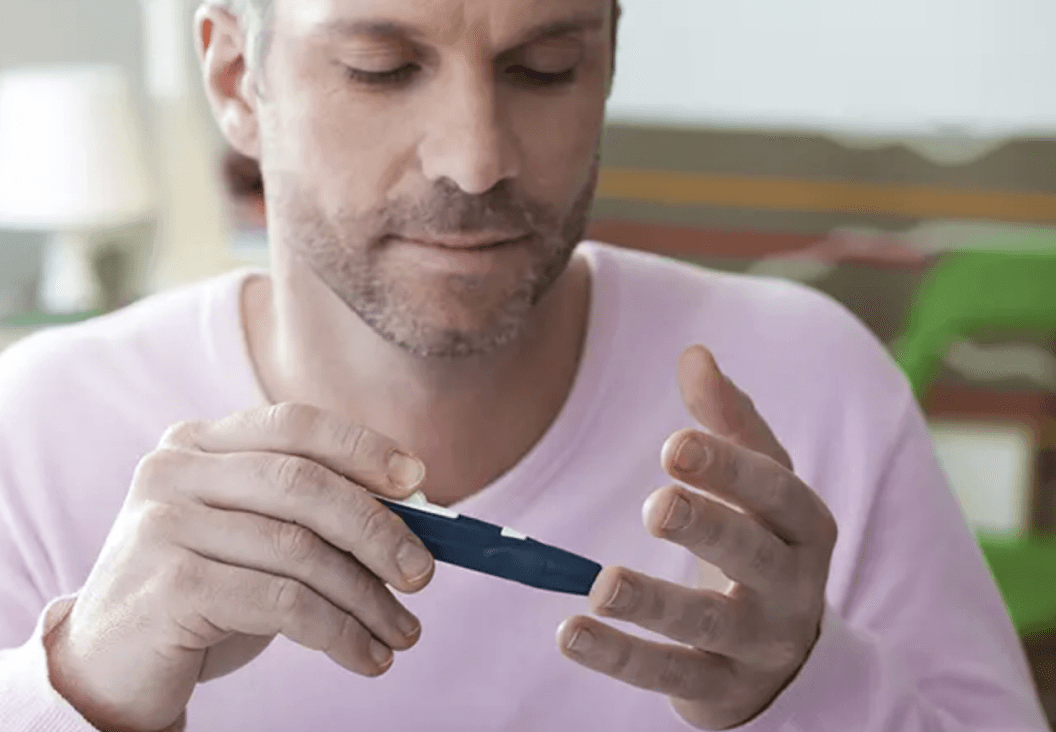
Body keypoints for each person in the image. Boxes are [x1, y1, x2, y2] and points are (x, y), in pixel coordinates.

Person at [0, 0, 1049, 730]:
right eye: (382, 67)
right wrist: (84, 693)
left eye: (545, 67)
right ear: (236, 78)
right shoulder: (43, 426)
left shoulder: (812, 389)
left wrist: (810, 695)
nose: (475, 155)